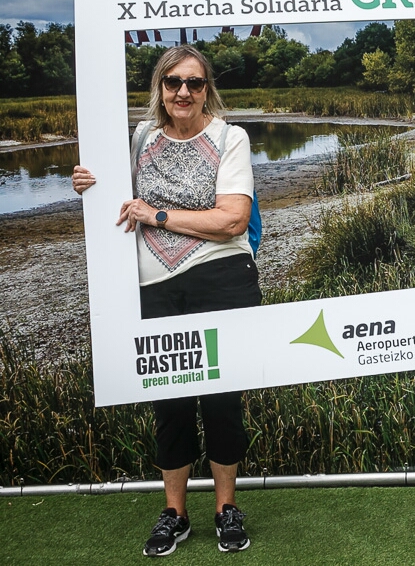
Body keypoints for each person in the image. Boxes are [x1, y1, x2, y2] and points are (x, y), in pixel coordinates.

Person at [73, 44, 258, 557]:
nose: (183, 92)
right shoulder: (139, 138)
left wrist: (156, 214)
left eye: (194, 83)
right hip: (153, 286)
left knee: (224, 399)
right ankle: (174, 514)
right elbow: (115, 199)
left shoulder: (230, 137)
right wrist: (88, 184)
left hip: (222, 279)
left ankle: (226, 509)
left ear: (207, 89)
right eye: (173, 81)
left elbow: (231, 220)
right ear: (159, 87)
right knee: (169, 400)